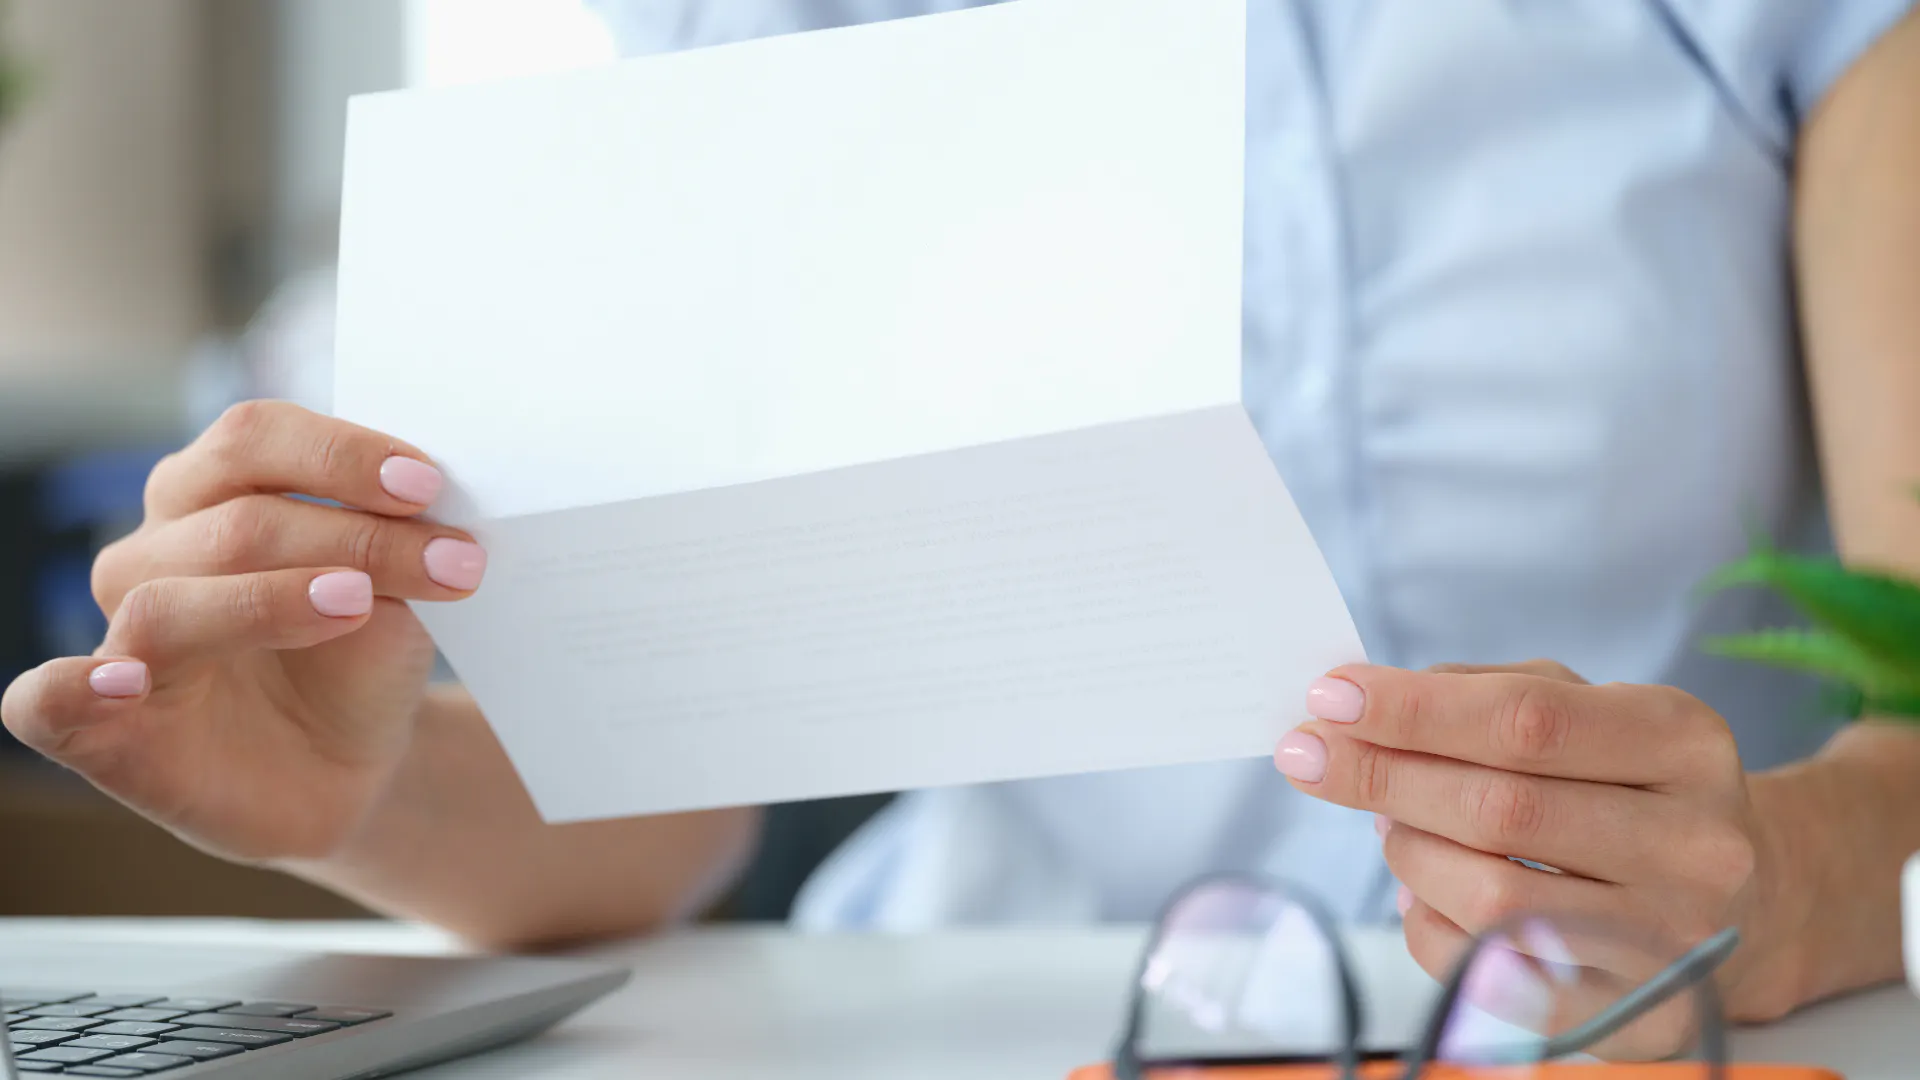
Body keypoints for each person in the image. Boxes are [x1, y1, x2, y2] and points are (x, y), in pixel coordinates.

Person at [5, 0, 1919, 1030]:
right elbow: (672, 794)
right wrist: (361, 792)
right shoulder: (765, 21)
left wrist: (1790, 876)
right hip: (984, 1021)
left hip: (1654, 1040)